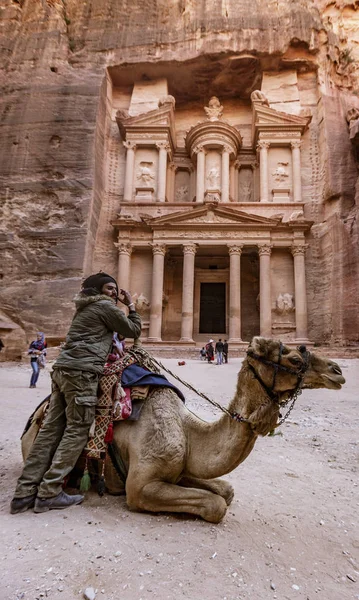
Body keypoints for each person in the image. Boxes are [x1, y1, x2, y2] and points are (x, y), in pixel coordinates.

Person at [10, 272, 141, 515]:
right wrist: (131, 304)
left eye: (115, 289)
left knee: (50, 430)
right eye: (109, 288)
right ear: (97, 290)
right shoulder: (103, 306)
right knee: (77, 430)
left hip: (63, 370)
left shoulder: (85, 306)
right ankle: (49, 493)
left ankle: (24, 493)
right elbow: (133, 330)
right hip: (82, 373)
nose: (114, 293)